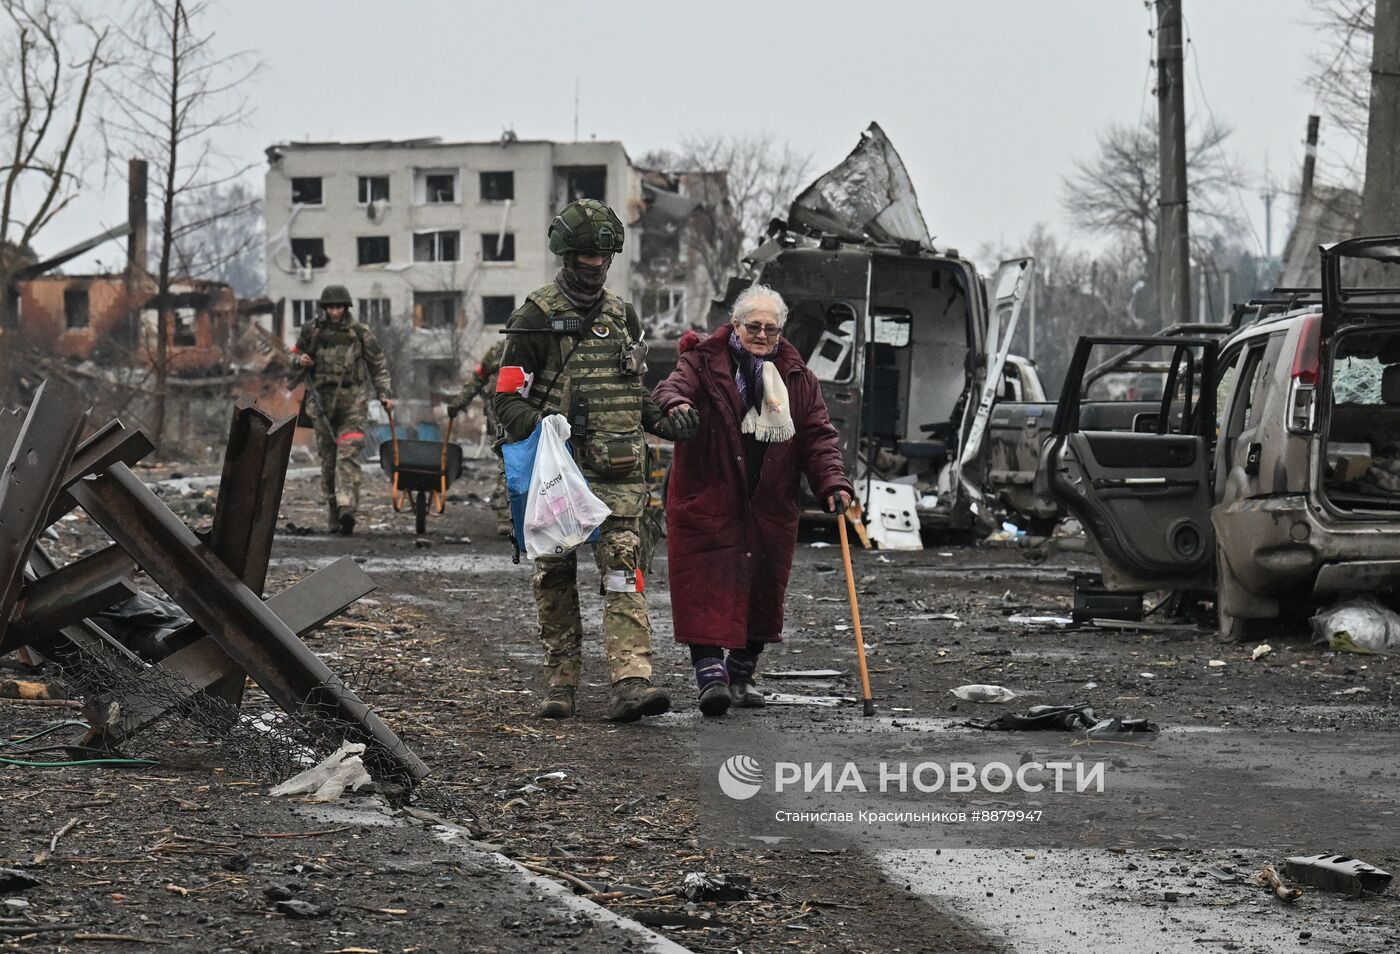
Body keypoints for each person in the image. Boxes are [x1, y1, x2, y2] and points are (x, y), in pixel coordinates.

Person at [494, 199, 689, 723]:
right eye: (583, 253)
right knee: (555, 579)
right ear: (565, 253)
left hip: (618, 475)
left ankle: (632, 682)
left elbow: (634, 393)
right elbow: (507, 398)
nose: (593, 264)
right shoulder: (534, 315)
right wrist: (544, 430)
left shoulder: (623, 315)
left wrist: (667, 420)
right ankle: (561, 684)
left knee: (625, 575)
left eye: (602, 254)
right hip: (558, 476)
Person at [652, 284, 853, 716]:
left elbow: (818, 436)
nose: (762, 334)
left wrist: (833, 483)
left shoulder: (798, 377)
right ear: (736, 325)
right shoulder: (702, 362)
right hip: (709, 491)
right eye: (753, 326)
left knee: (763, 585)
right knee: (702, 584)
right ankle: (710, 678)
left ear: (781, 332)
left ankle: (741, 673)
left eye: (771, 328)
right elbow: (670, 388)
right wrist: (676, 406)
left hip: (769, 499)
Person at [290, 284, 395, 535]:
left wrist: (384, 394)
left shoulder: (360, 333)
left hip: (352, 402)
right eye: (331, 307)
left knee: (347, 455)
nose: (335, 312)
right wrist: (299, 360)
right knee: (328, 461)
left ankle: (347, 505)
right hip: (321, 404)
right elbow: (292, 358)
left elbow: (377, 364)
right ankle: (333, 511)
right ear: (324, 308)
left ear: (345, 308)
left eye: (338, 307)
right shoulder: (311, 331)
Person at [447, 338, 511, 536]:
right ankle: (504, 511)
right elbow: (478, 378)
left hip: (529, 415)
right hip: (501, 417)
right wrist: (458, 403)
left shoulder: (534, 347)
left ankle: (514, 512)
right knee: (508, 462)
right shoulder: (498, 351)